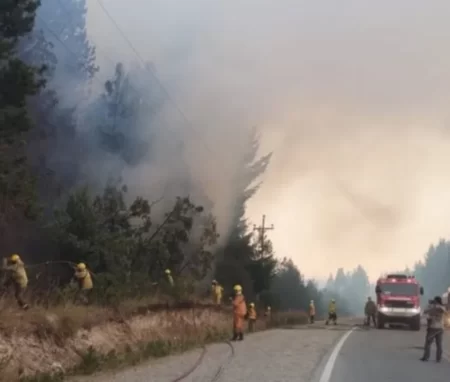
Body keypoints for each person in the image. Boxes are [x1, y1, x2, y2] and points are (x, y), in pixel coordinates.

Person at [421, 296, 446, 362]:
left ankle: (426, 357)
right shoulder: (442, 308)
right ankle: (438, 359)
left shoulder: (432, 308)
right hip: (440, 328)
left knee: (428, 343)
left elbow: (425, 312)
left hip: (432, 327)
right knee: (439, 344)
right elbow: (443, 310)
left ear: (435, 301)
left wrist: (430, 305)